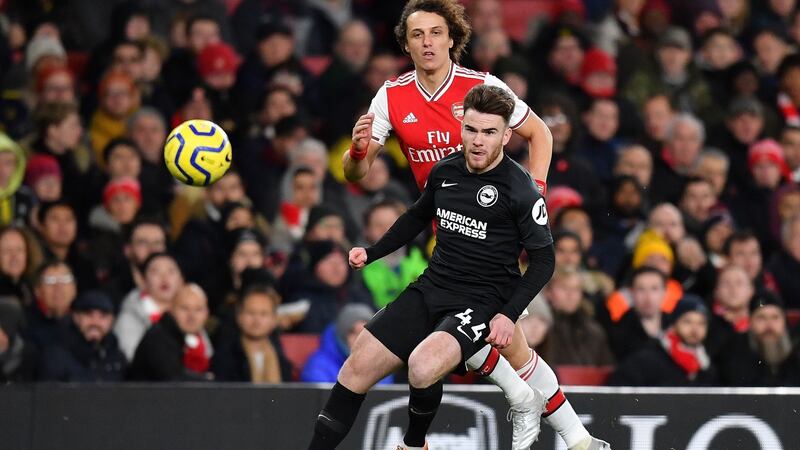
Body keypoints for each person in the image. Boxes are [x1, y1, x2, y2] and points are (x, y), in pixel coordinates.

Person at [339, 2, 604, 449]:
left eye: (436, 32)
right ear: (406, 43)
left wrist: (535, 190)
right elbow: (356, 175)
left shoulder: (481, 87)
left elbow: (541, 133)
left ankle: (560, 427)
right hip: (446, 227)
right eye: (418, 34)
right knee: (501, 341)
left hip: (496, 223)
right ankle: (576, 437)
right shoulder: (391, 96)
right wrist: (358, 154)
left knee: (481, 331)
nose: (427, 42)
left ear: (451, 38)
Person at [309, 85, 557, 450]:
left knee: (423, 366)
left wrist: (508, 314)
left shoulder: (521, 190)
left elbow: (544, 260)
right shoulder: (446, 170)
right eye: (471, 130)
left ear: (506, 135)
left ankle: (413, 445)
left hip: (484, 299)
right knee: (356, 366)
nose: (477, 141)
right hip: (434, 286)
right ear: (461, 127)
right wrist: (373, 252)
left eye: (489, 133)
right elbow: (416, 218)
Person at [609, 295, 717, 386]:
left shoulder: (705, 365)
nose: (695, 329)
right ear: (674, 325)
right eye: (687, 322)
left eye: (701, 323)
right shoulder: (647, 358)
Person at [127, 283, 212, 381]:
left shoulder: (182, 336)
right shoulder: (158, 338)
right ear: (171, 309)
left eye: (198, 309)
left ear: (207, 313)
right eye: (184, 308)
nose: (192, 316)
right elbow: (173, 382)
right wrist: (207, 380)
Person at [38, 290, 126, 382]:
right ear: (76, 317)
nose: (95, 322)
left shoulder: (117, 357)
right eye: (89, 315)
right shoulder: (55, 356)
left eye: (103, 316)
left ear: (112, 321)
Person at [301, 303, 391, 384]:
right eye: (353, 332)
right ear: (341, 336)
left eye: (366, 333)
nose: (360, 338)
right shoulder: (318, 366)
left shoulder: (381, 365)